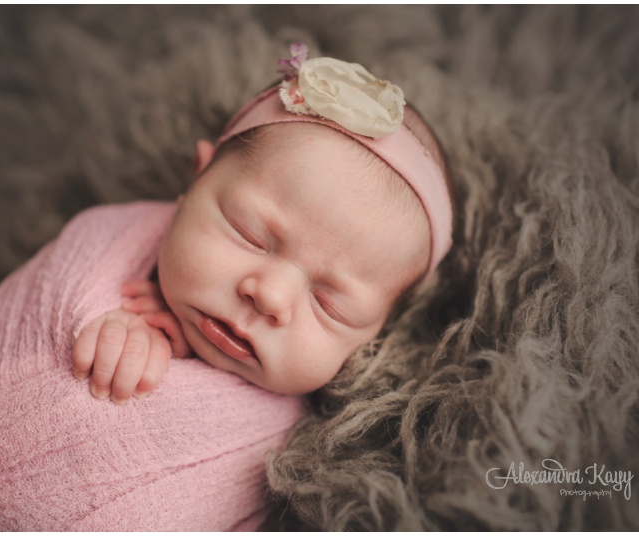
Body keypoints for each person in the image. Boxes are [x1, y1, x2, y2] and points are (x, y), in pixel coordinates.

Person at [71, 43, 454, 403]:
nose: (270, 296)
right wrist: (128, 323)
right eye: (249, 234)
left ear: (378, 332)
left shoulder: (319, 448)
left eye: (329, 305)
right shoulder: (113, 260)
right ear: (197, 177)